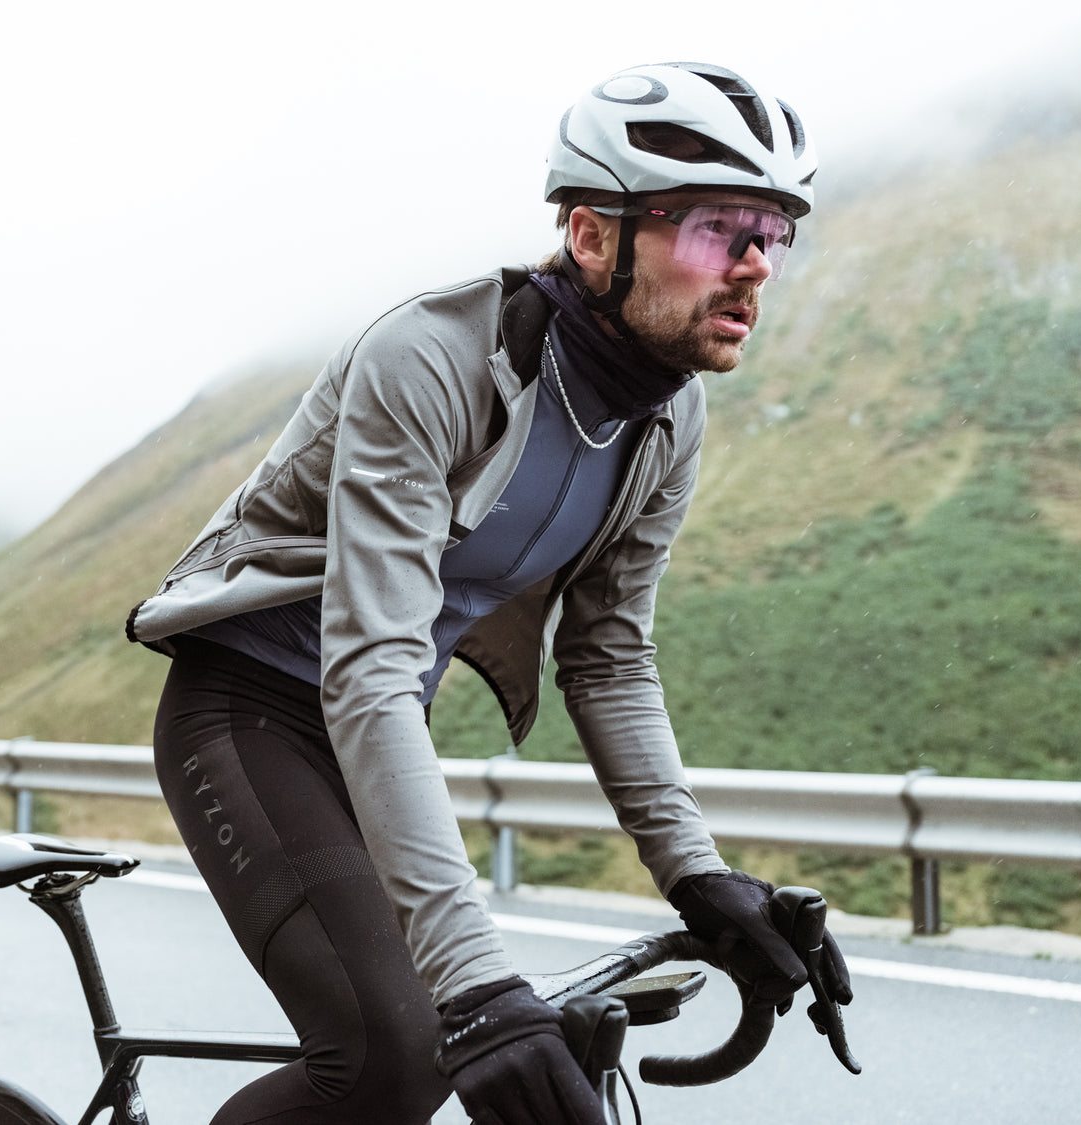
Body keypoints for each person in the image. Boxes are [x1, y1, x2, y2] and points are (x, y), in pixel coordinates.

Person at [126, 61, 853, 1125]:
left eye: (771, 234)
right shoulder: (432, 358)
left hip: (377, 728)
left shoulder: (670, 417)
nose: (753, 270)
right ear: (592, 233)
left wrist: (697, 876)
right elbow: (369, 662)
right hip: (251, 711)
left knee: (495, 1034)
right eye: (712, 231)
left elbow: (607, 655)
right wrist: (475, 990)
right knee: (398, 1056)